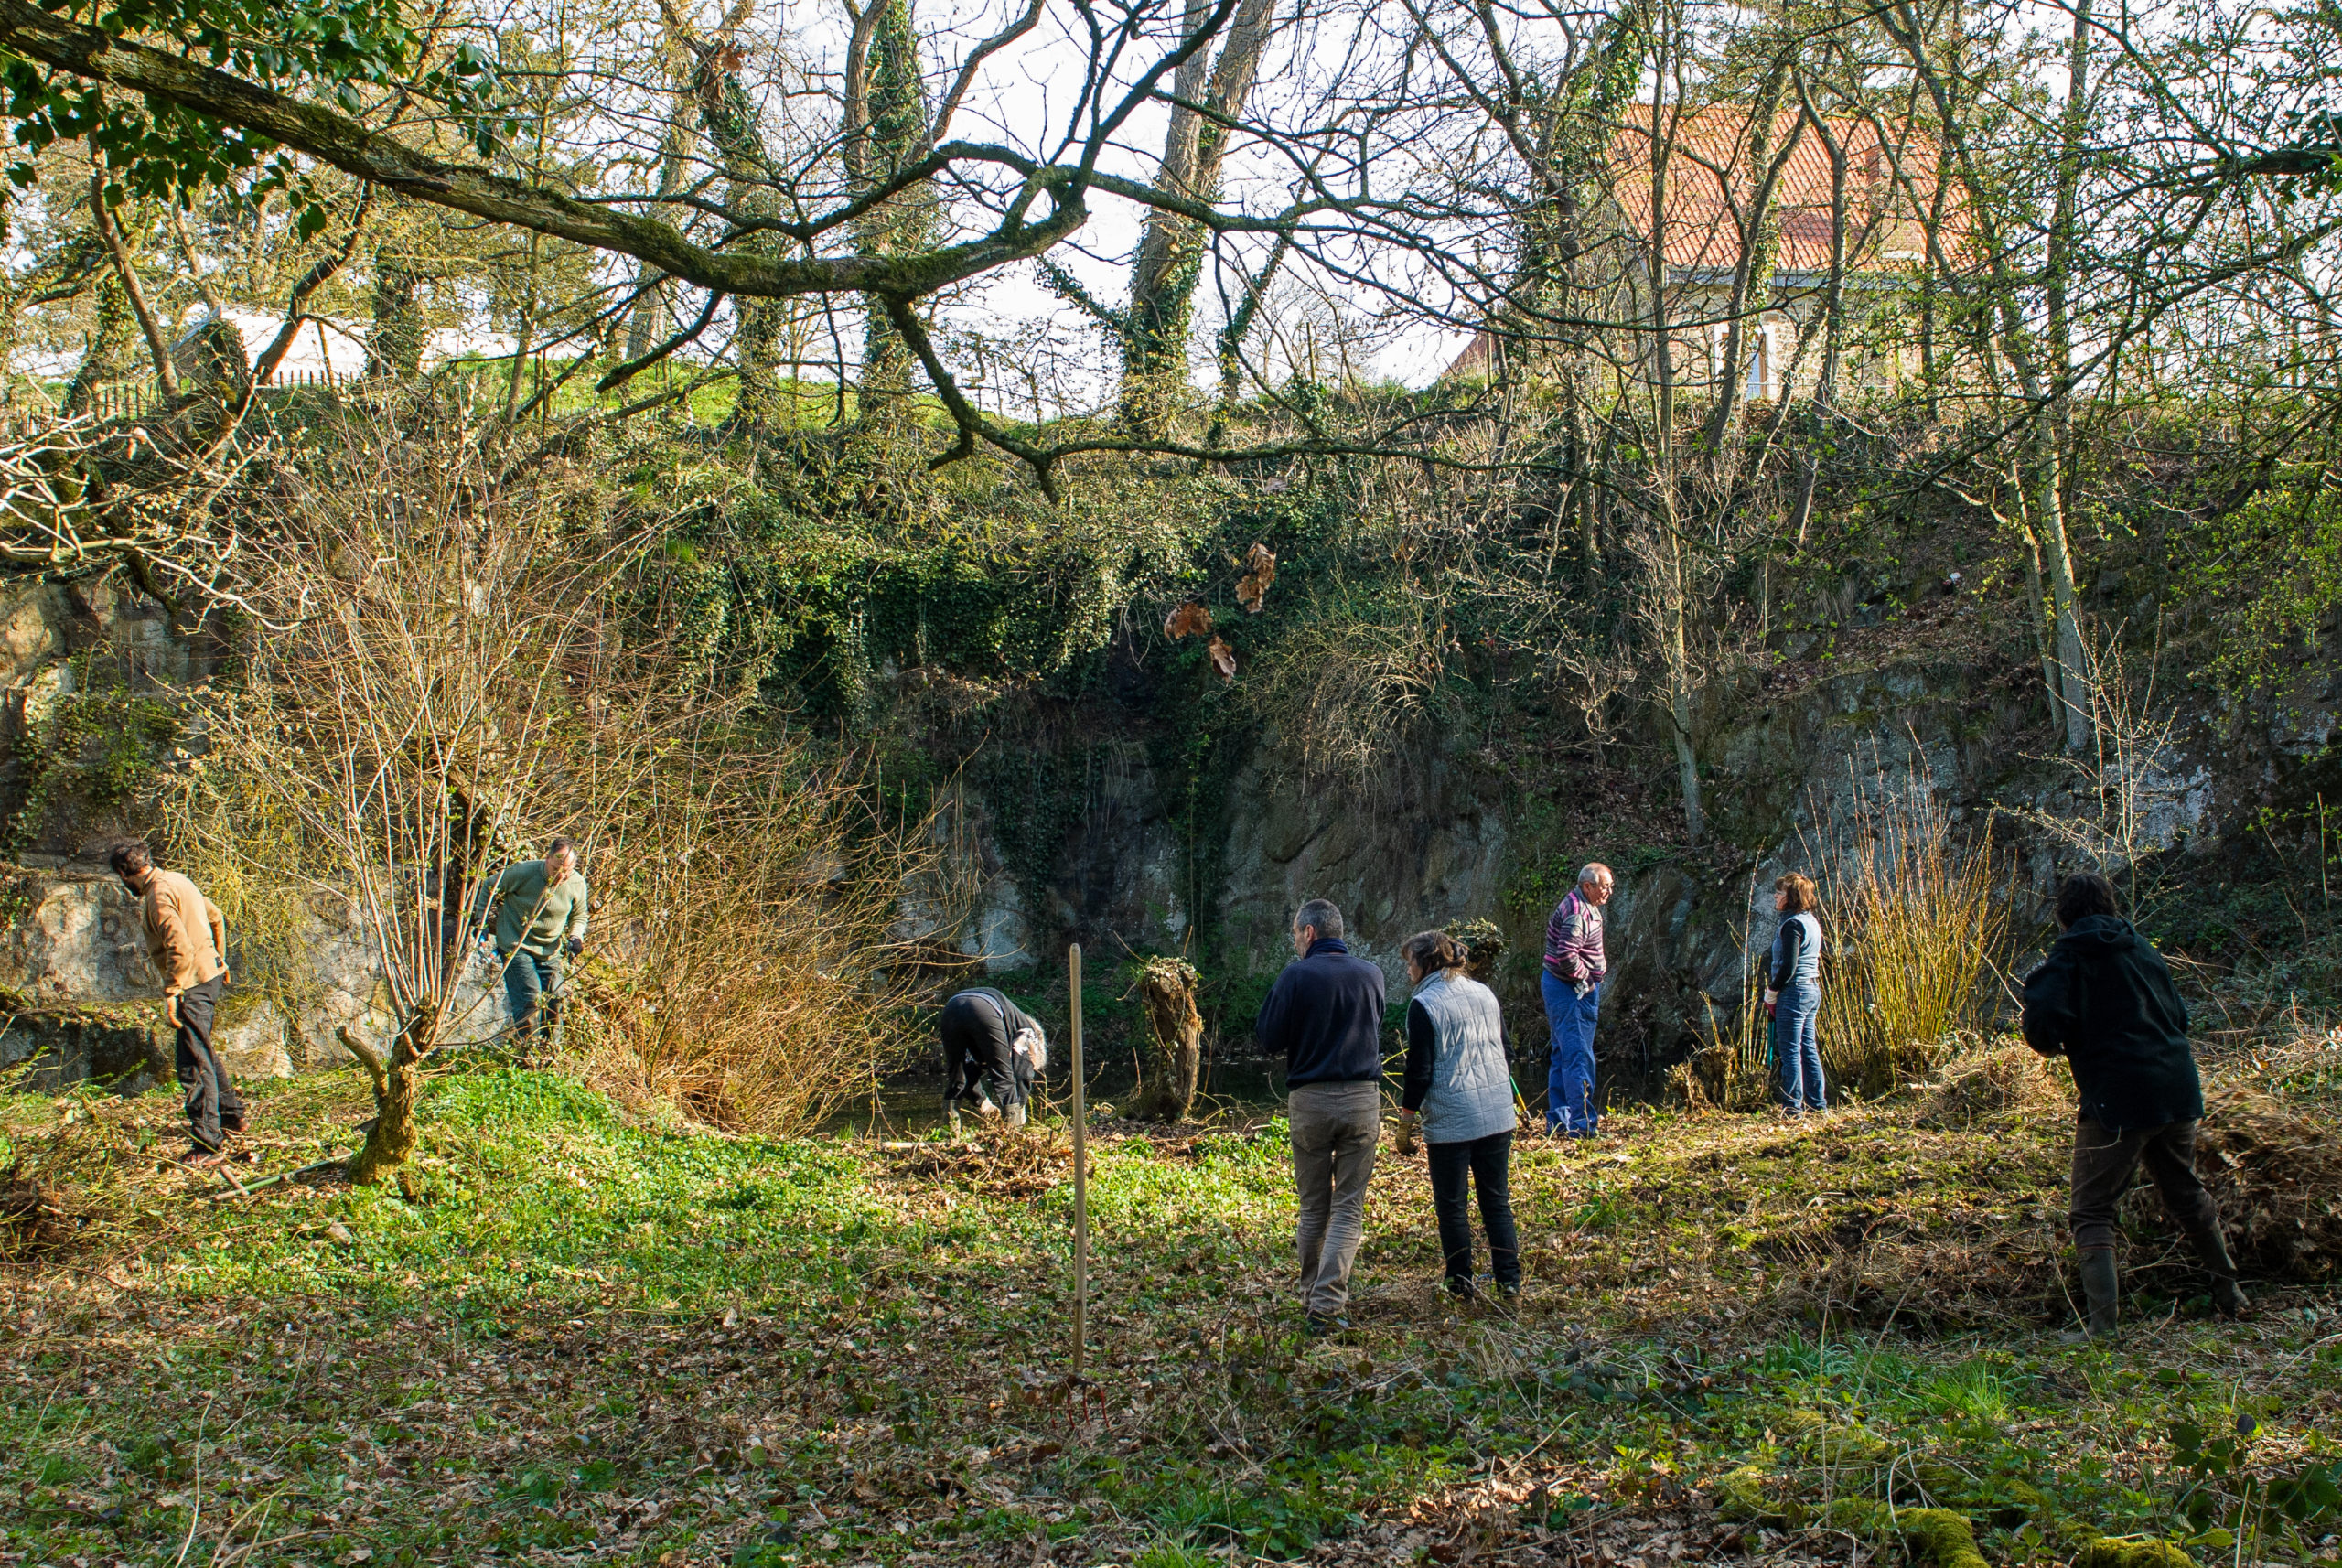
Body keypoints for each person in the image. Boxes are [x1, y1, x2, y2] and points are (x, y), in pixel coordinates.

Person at [2023, 870, 2246, 1336]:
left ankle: (2103, 1329)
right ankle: (2231, 1292)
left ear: (2063, 913)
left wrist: (2060, 1043)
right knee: (2185, 1193)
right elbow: (2180, 1016)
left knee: (2091, 1210)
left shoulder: (2068, 959)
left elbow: (2043, 1024)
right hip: (2178, 1085)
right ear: (2110, 905)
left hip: (2118, 1097)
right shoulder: (2142, 949)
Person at [1255, 897, 1387, 1336]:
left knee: (1314, 1205)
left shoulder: (1296, 976)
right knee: (1349, 1206)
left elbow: (1267, 1039)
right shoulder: (1373, 974)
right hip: (1362, 1099)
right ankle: (1328, 1302)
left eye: (1296, 934)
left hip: (1310, 1099)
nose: (1295, 943)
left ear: (1309, 933)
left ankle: (1314, 1295)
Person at [1392, 930, 1520, 1301]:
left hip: (1452, 1121)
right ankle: (1509, 1281)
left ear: (1427, 963)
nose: (1407, 970)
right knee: (1496, 1200)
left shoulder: (1424, 1004)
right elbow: (1506, 1052)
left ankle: (1459, 1282)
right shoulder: (1485, 992)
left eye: (1409, 962)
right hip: (1497, 1115)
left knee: (1452, 1206)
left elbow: (1419, 1071)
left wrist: (1406, 1121)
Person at [111, 842, 242, 1167]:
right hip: (206, 976)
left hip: (192, 983)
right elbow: (216, 916)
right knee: (202, 1049)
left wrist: (172, 992)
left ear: (124, 874)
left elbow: (179, 947)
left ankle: (206, 1142)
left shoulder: (157, 895)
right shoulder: (180, 880)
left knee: (191, 1063)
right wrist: (219, 958)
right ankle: (232, 1116)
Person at [471, 837, 590, 1050]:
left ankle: (550, 1053)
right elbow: (490, 885)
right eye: (555, 868)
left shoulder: (576, 884)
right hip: (516, 943)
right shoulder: (524, 872)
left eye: (567, 870)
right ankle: (527, 1051)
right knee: (530, 997)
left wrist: (576, 936)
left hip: (549, 950)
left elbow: (579, 916)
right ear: (547, 859)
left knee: (556, 998)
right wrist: (482, 919)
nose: (560, 876)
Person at [1541, 863, 1614, 1136]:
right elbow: (1567, 954)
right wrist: (1588, 981)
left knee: (1563, 1055)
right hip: (1570, 991)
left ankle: (1559, 1123)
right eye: (1605, 886)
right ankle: (1582, 1126)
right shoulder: (1577, 911)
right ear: (1588, 886)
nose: (1609, 892)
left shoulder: (1580, 903)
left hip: (1559, 986)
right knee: (1578, 1057)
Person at [940, 985, 1047, 1131]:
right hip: (984, 1008)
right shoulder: (1027, 1030)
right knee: (1004, 1077)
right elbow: (1022, 1074)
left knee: (956, 1078)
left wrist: (984, 1104)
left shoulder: (999, 1032)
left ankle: (949, 1137)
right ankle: (1014, 1134)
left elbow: (967, 1075)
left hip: (951, 1008)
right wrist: (1020, 1108)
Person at [1765, 872, 1826, 1116]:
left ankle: (1792, 1109)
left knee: (1790, 1051)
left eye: (1779, 893)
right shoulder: (1811, 921)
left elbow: (1789, 967)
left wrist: (1772, 991)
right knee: (1808, 1048)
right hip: (1812, 990)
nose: (1775, 896)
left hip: (1794, 993)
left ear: (1790, 898)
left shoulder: (1792, 925)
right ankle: (1817, 1105)